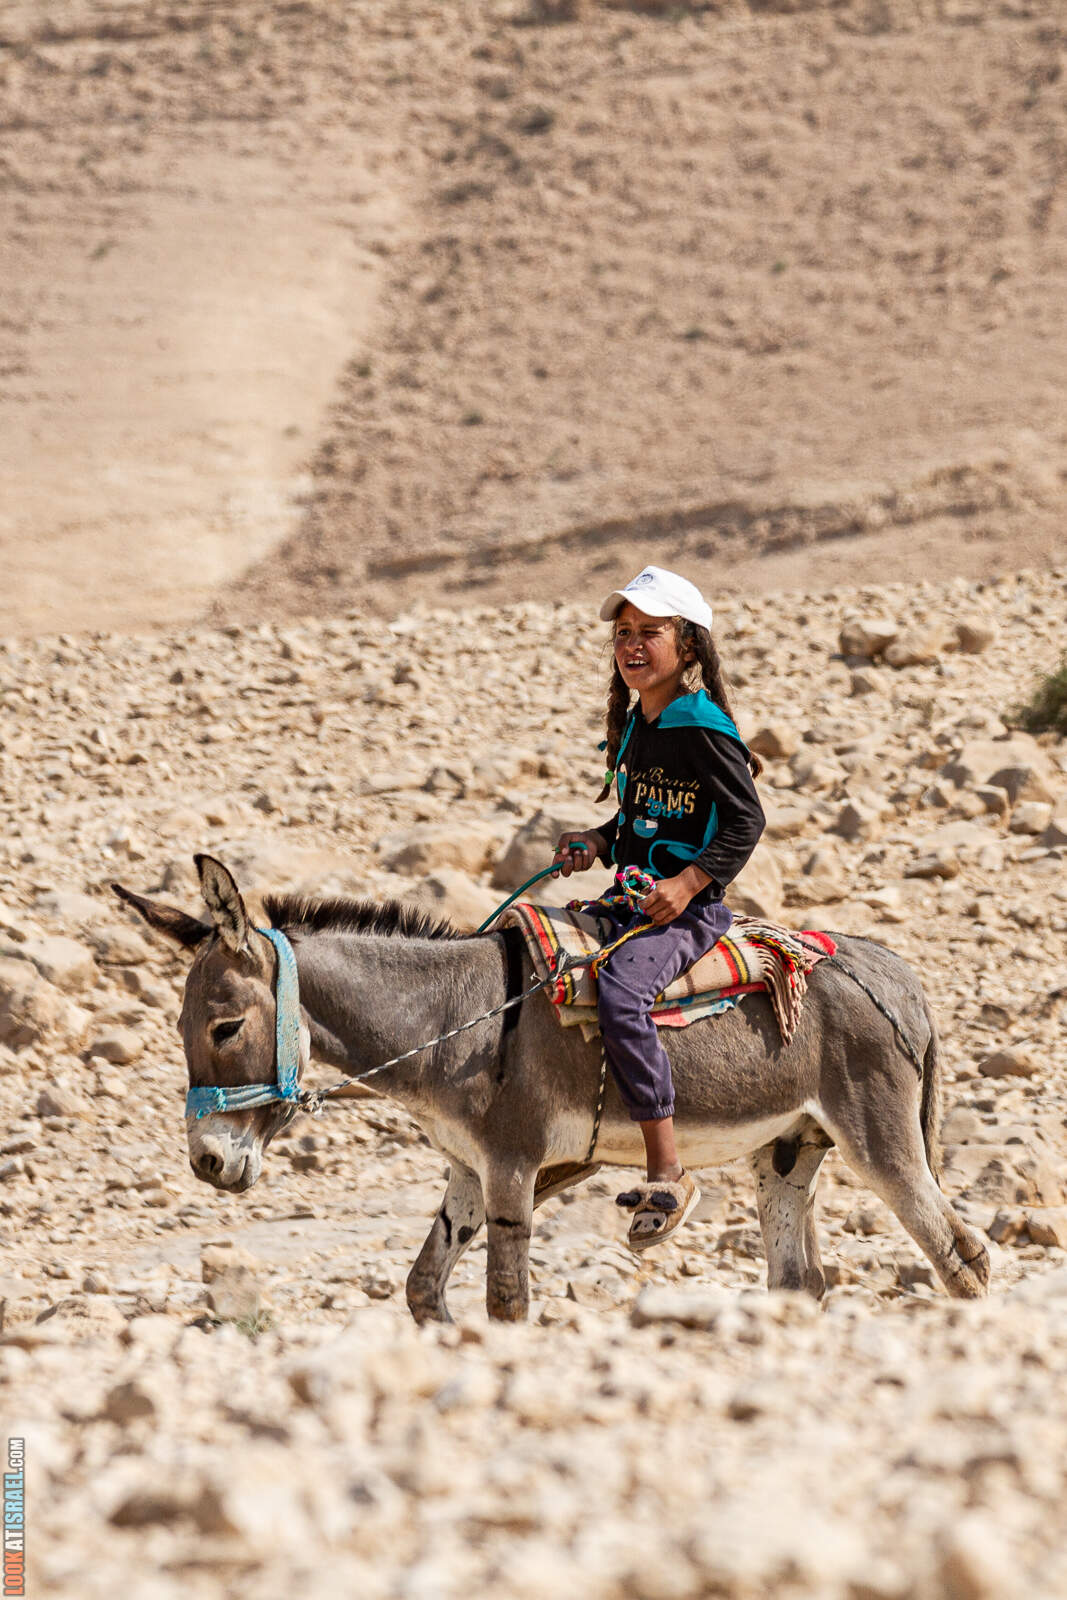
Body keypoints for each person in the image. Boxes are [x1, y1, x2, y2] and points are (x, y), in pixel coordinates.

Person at [553, 564, 765, 1251]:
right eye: (623, 633)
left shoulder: (699, 725)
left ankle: (666, 1167)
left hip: (687, 912)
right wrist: (595, 840)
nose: (632, 644)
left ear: (689, 646)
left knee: (618, 993)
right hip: (630, 897)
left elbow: (743, 822)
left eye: (650, 631)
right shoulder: (637, 721)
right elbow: (639, 821)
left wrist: (690, 884)